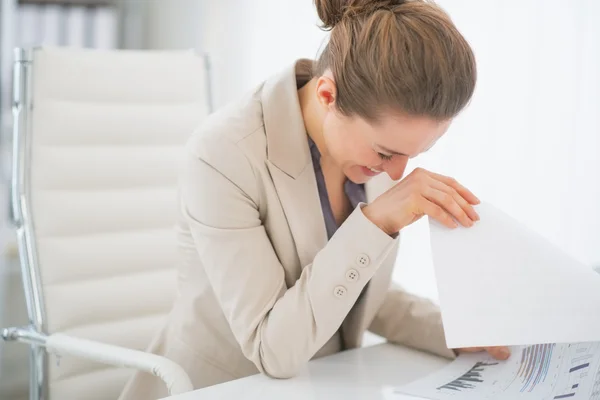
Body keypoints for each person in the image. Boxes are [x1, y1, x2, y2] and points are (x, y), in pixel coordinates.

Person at [119, 0, 510, 398]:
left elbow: (360, 293)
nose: (398, 174)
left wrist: (459, 332)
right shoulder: (224, 154)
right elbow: (272, 349)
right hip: (222, 388)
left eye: (415, 155)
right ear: (327, 95)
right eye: (386, 153)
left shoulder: (364, 148)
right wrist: (376, 224)